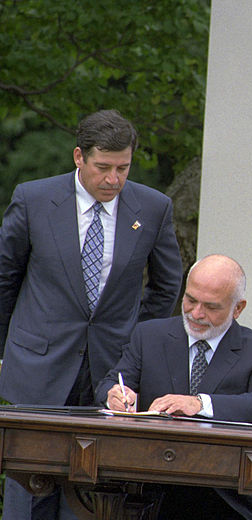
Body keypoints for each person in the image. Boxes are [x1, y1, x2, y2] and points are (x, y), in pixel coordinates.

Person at [0, 109, 183, 519]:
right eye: (103, 167)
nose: (113, 179)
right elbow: (4, 277)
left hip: (110, 372)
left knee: (92, 497)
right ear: (79, 157)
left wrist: (136, 346)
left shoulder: (153, 207)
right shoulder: (33, 199)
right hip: (37, 367)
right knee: (29, 494)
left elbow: (167, 285)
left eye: (123, 168)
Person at [96, 254, 252, 519]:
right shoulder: (149, 336)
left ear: (238, 308)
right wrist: (113, 395)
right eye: (190, 300)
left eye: (211, 306)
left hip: (223, 495)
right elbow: (109, 383)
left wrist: (199, 403)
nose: (196, 314)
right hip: (147, 489)